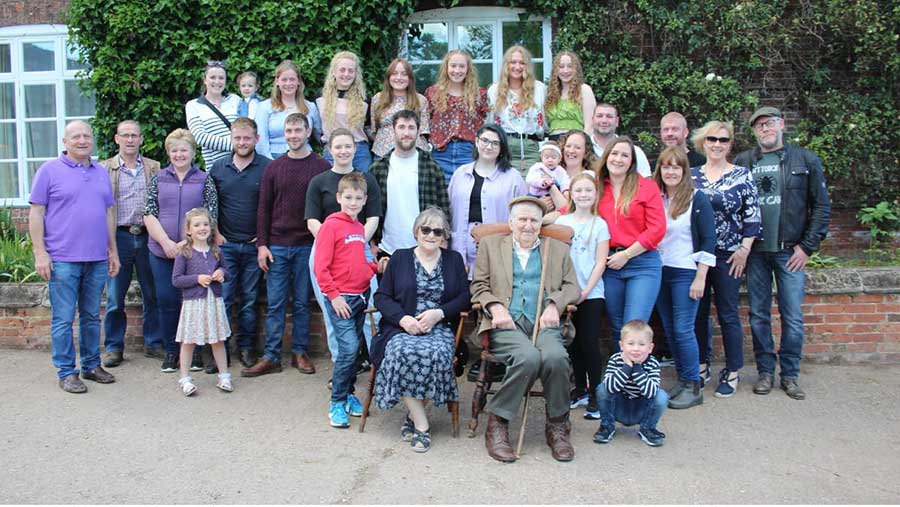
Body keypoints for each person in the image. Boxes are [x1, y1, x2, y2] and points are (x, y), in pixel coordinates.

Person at [470, 196, 580, 463]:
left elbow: (571, 287)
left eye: (534, 220)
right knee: (528, 358)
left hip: (543, 323)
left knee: (555, 358)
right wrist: (496, 308)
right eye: (522, 219)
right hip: (505, 324)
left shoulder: (557, 249)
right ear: (511, 222)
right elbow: (478, 286)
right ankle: (498, 423)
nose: (528, 225)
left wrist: (555, 305)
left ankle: (557, 425)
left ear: (541, 223)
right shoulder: (491, 246)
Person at [735, 106, 832, 400]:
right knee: (758, 316)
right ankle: (765, 371)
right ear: (753, 132)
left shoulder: (805, 159)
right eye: (759, 126)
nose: (765, 129)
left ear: (782, 125)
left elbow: (822, 206)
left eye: (770, 123)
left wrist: (807, 246)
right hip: (755, 253)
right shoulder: (743, 162)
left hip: (790, 251)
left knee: (792, 316)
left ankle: (789, 374)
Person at [29, 120, 120, 393]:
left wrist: (112, 249)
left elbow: (107, 214)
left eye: (86, 136)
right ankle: (67, 372)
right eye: (76, 136)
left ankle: (92, 365)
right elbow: (37, 213)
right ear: (65, 142)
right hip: (63, 259)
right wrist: (40, 253)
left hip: (96, 258)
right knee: (64, 318)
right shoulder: (49, 171)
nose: (82, 140)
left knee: (92, 316)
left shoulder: (100, 172)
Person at [371, 208, 470, 452]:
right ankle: (422, 425)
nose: (431, 235)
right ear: (417, 231)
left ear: (444, 235)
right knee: (400, 352)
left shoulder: (454, 259)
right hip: (402, 327)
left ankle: (413, 417)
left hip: (439, 327)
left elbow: (465, 297)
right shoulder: (400, 258)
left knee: (435, 354)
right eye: (426, 229)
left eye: (438, 231)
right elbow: (382, 297)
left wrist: (439, 314)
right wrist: (403, 319)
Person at [242, 113, 329, 378]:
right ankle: (271, 356)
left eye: (297, 130)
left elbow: (326, 210)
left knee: (302, 303)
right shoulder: (274, 167)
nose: (293, 135)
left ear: (307, 131)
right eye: (288, 130)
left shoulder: (321, 167)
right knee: (276, 304)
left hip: (307, 246)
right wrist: (263, 245)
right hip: (277, 246)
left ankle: (299, 352)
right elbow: (263, 210)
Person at [690, 120, 761, 398]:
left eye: (723, 140)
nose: (717, 144)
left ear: (730, 144)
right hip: (696, 257)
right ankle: (701, 365)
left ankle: (732, 371)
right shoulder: (692, 175)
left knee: (728, 313)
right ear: (702, 142)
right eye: (712, 139)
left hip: (729, 255)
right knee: (697, 312)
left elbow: (752, 215)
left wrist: (744, 250)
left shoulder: (742, 175)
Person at [306, 129, 383, 375]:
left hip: (359, 249)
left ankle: (376, 364)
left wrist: (357, 241)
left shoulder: (366, 180)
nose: (343, 151)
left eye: (348, 146)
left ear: (355, 148)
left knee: (372, 309)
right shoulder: (319, 182)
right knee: (334, 312)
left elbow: (372, 217)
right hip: (325, 251)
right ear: (330, 149)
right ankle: (342, 368)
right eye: (338, 147)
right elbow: (312, 220)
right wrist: (335, 241)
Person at [144, 128, 218, 374]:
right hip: (161, 250)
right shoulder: (158, 178)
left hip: (194, 252)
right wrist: (166, 242)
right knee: (166, 300)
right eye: (174, 150)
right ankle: (171, 351)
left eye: (183, 150)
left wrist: (188, 244)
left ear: (192, 152)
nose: (179, 155)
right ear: (168, 153)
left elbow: (211, 214)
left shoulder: (204, 179)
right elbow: (149, 212)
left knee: (193, 300)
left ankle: (195, 351)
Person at [314, 173, 382, 428]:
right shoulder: (331, 226)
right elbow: (321, 267)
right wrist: (334, 296)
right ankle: (336, 401)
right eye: (348, 197)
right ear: (339, 198)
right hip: (340, 300)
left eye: (358, 198)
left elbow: (360, 260)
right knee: (350, 349)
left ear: (365, 200)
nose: (353, 202)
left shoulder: (357, 227)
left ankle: (349, 393)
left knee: (354, 352)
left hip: (361, 297)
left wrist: (375, 268)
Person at [652, 147, 716, 409]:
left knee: (683, 329)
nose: (670, 172)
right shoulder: (656, 198)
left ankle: (693, 385)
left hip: (686, 271)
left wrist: (701, 277)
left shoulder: (696, 198)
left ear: (684, 170)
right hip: (660, 271)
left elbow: (709, 239)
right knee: (669, 329)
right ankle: (682, 379)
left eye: (676, 167)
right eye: (666, 167)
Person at [209, 117, 271, 369]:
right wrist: (215, 231)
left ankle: (246, 347)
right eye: (238, 138)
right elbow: (210, 204)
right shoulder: (218, 167)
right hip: (226, 245)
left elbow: (271, 205)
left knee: (249, 299)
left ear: (256, 139)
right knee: (222, 298)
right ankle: (219, 350)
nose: (242, 142)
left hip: (254, 246)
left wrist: (263, 234)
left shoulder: (267, 167)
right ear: (231, 139)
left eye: (247, 138)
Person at [101, 120, 162, 367]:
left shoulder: (154, 167)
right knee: (116, 296)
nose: (129, 140)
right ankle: (114, 347)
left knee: (153, 293)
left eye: (134, 135)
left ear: (141, 139)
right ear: (116, 139)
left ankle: (154, 342)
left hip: (148, 236)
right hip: (120, 236)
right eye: (125, 135)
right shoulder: (105, 169)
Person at [596, 137, 666, 345]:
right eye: (614, 153)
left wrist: (626, 255)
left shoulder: (646, 186)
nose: (618, 159)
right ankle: (622, 375)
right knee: (617, 326)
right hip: (610, 265)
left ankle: (636, 376)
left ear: (632, 161)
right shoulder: (597, 187)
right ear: (606, 157)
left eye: (624, 155)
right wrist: (540, 218)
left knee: (634, 327)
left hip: (642, 262)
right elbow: (573, 209)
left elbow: (657, 228)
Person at [552, 173, 610, 419]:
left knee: (588, 341)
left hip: (591, 292)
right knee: (572, 342)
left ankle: (597, 392)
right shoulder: (562, 222)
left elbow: (600, 262)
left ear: (595, 194)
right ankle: (579, 389)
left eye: (589, 190)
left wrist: (586, 291)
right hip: (568, 292)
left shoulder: (600, 224)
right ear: (571, 195)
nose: (584, 195)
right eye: (579, 191)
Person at [448, 124, 527, 276]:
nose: (489, 146)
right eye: (485, 140)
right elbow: (450, 209)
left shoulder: (513, 177)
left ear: (502, 148)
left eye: (495, 143)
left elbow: (522, 213)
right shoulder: (460, 174)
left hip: (498, 246)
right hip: (461, 244)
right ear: (477, 142)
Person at [370, 110, 449, 258]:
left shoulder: (432, 167)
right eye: (401, 127)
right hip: (387, 249)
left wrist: (443, 239)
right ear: (393, 130)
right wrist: (372, 243)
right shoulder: (378, 168)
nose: (406, 133)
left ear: (418, 131)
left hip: (425, 247)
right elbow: (370, 210)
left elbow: (443, 208)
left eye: (411, 127)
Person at [172, 208, 232, 396]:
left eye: (205, 224)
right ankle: (185, 378)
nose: (202, 228)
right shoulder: (185, 253)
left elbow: (227, 272)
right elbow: (177, 279)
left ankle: (224, 376)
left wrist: (221, 273)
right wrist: (197, 278)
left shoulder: (216, 250)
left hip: (213, 302)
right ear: (189, 230)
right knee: (189, 341)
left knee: (217, 339)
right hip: (194, 303)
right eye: (197, 225)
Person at [592, 320, 669, 447]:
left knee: (662, 396)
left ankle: (648, 428)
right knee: (602, 388)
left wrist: (637, 368)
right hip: (618, 407)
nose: (636, 349)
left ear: (650, 348)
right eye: (631, 344)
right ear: (622, 346)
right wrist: (626, 367)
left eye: (642, 344)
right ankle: (607, 426)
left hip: (641, 408)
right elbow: (609, 388)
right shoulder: (615, 360)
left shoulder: (653, 363)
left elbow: (651, 393)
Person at [425, 50, 489, 183]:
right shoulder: (433, 93)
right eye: (453, 66)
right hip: (440, 152)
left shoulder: (479, 94)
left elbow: (486, 124)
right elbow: (425, 122)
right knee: (442, 197)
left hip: (468, 152)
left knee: (468, 195)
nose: (457, 70)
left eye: (461, 66)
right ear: (446, 67)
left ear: (468, 69)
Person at [488, 45, 547, 175]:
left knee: (532, 191)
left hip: (532, 147)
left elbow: (546, 122)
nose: (517, 66)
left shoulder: (539, 89)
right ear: (506, 65)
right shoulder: (494, 90)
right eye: (513, 62)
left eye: (522, 63)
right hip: (505, 148)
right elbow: (490, 124)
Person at [317, 51, 372, 172]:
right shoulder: (320, 96)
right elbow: (316, 127)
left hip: (359, 152)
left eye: (351, 71)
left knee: (362, 188)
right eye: (342, 70)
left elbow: (369, 127)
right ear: (334, 71)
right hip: (332, 150)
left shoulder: (364, 99)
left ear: (356, 74)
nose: (346, 74)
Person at [256, 60, 321, 159]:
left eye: (292, 79)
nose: (288, 83)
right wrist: (270, 164)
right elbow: (261, 142)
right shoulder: (264, 107)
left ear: (298, 81)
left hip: (305, 158)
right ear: (277, 81)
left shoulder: (310, 107)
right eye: (284, 79)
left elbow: (320, 136)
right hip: (274, 158)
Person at [369, 58, 430, 160]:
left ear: (410, 78)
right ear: (388, 77)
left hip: (413, 155)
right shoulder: (378, 99)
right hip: (383, 154)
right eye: (394, 73)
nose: (399, 77)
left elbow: (423, 131)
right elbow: (374, 129)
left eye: (404, 74)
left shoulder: (421, 100)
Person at [185, 60, 240, 168]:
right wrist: (237, 145)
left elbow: (246, 127)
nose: (217, 81)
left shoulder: (236, 100)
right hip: (217, 168)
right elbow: (201, 137)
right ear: (205, 80)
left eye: (221, 78)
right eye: (213, 77)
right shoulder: (193, 105)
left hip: (244, 165)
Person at [544, 51, 596, 140]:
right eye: (561, 67)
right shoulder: (551, 93)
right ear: (555, 70)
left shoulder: (584, 89)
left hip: (574, 142)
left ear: (576, 69)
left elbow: (590, 125)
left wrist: (581, 144)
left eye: (570, 66)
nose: (565, 70)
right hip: (553, 143)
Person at [590, 103, 652, 177]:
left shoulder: (634, 151)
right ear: (593, 120)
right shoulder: (582, 149)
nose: (604, 120)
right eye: (600, 116)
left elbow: (647, 181)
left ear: (616, 121)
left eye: (609, 116)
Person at [548, 130, 598, 210]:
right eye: (568, 146)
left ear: (586, 152)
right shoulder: (552, 172)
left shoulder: (590, 176)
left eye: (577, 147)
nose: (571, 151)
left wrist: (550, 187)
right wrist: (541, 204)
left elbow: (569, 209)